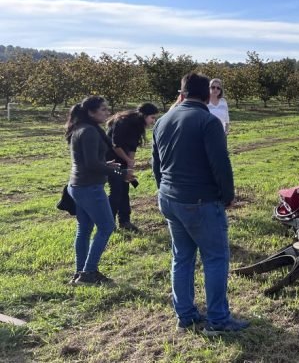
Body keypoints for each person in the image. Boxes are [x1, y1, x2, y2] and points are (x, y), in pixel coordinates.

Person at [152, 72, 248, 335]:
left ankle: (185, 316)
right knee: (215, 258)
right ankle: (218, 320)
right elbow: (221, 164)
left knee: (181, 257)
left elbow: (156, 165)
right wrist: (227, 195)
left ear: (181, 93)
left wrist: (165, 191)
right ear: (208, 94)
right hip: (200, 201)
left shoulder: (162, 120)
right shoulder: (208, 121)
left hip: (170, 198)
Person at [65, 96, 134, 285]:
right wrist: (120, 171)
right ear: (90, 112)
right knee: (107, 226)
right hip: (89, 187)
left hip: (78, 186)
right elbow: (92, 164)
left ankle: (80, 272)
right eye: (103, 110)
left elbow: (91, 162)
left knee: (85, 229)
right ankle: (88, 273)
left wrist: (106, 165)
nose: (107, 113)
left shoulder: (81, 128)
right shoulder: (89, 131)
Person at [106, 103, 159, 232]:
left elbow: (133, 146)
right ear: (144, 115)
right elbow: (115, 145)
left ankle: (125, 221)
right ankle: (108, 223)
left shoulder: (138, 125)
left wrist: (130, 163)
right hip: (110, 158)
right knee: (117, 190)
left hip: (122, 157)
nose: (154, 121)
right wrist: (127, 159)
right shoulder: (123, 122)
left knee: (124, 189)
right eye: (152, 118)